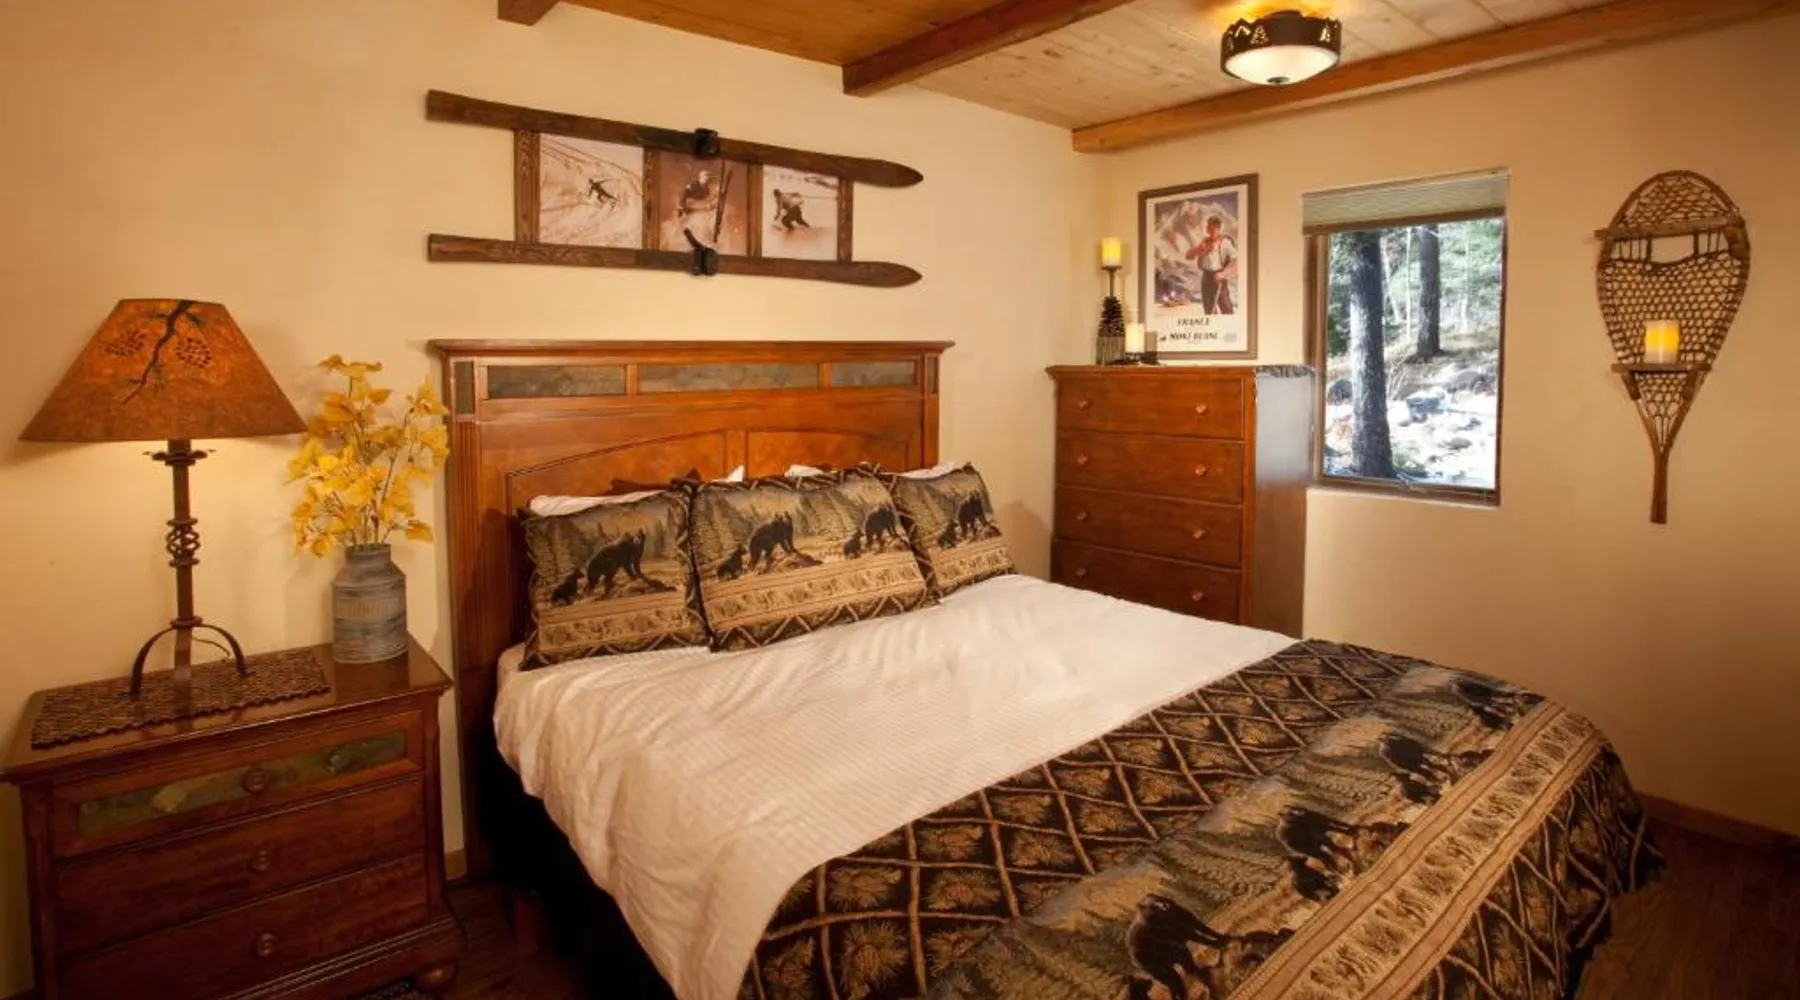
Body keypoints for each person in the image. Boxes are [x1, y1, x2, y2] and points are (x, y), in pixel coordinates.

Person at [1188, 215, 1238, 315]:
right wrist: (1199, 249)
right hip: (1206, 278)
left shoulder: (1225, 243)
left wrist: (1223, 274)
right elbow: (1189, 256)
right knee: (1209, 310)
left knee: (1226, 308)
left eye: (1209, 226)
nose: (1207, 229)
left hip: (1219, 278)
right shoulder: (1204, 242)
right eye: (1207, 226)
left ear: (1217, 228)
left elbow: (1236, 262)